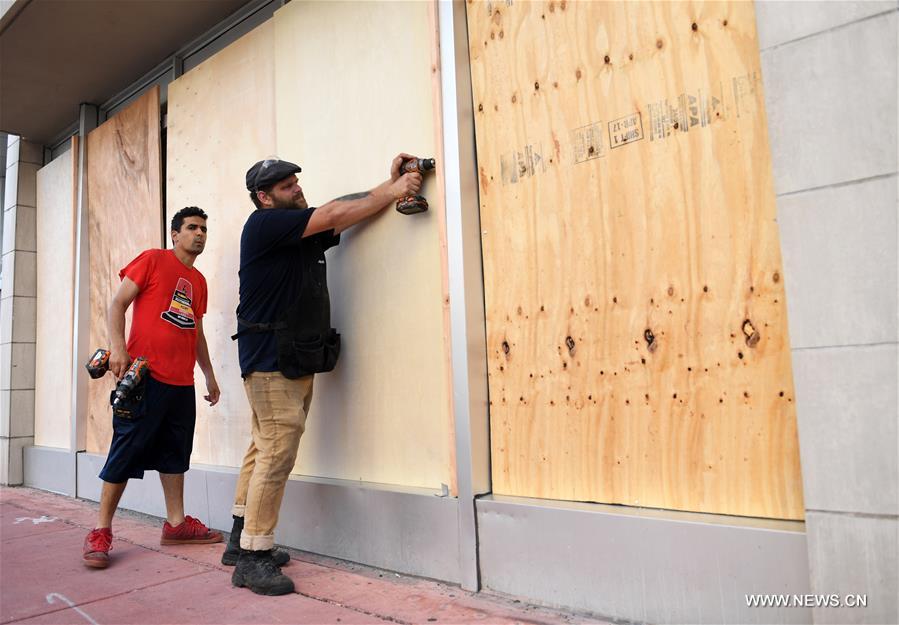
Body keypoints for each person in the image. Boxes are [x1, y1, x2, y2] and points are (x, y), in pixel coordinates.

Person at [224, 155, 422, 595]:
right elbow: (333, 212)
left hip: (288, 357)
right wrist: (394, 190)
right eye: (285, 185)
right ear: (264, 198)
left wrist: (387, 184)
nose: (295, 187)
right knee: (277, 452)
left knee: (263, 448)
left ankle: (241, 539)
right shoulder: (263, 226)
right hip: (272, 359)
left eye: (295, 180)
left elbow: (344, 212)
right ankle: (253, 558)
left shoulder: (296, 235)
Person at [82, 206, 223, 569]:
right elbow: (117, 304)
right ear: (175, 234)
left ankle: (176, 525)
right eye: (192, 228)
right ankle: (100, 530)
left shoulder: (200, 282)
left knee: (175, 455)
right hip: (145, 377)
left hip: (181, 383)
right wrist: (119, 350)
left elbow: (197, 332)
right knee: (125, 451)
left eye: (204, 229)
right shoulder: (153, 260)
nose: (199, 234)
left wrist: (208, 374)